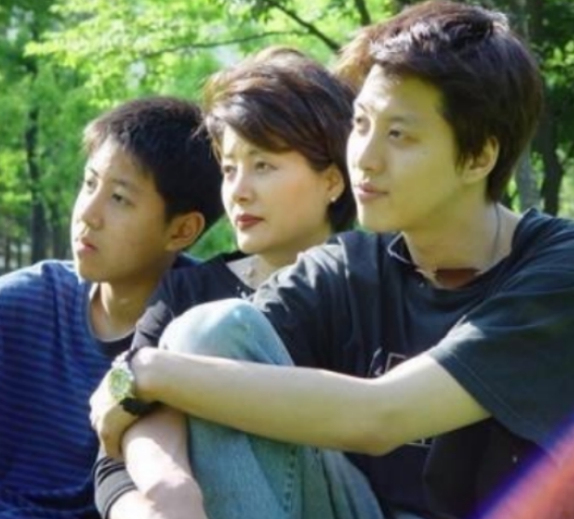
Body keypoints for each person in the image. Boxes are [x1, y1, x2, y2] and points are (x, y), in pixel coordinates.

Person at [91, 2, 574, 519]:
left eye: (399, 135)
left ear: (478, 157)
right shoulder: (347, 268)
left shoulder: (556, 270)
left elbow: (381, 417)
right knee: (209, 330)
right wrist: (169, 485)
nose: (364, 157)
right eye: (361, 123)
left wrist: (146, 371)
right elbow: (194, 361)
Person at [93, 46, 356, 519]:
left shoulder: (373, 286)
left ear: (332, 180)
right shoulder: (188, 292)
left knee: (212, 334)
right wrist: (157, 503)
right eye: (230, 169)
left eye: (263, 165)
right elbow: (115, 455)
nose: (239, 191)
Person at [0, 96, 223, 518]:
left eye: (119, 198)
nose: (88, 214)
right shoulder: (22, 304)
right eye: (89, 184)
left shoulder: (206, 332)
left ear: (181, 230)